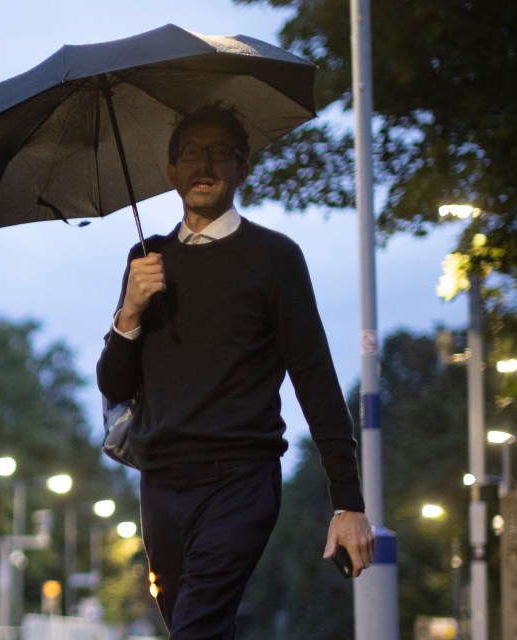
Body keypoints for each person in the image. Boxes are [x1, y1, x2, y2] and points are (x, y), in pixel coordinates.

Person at [96, 103, 375, 638]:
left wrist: (348, 502)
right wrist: (129, 311)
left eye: (220, 153)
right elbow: (115, 385)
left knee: (197, 626)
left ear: (243, 169)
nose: (205, 164)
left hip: (240, 480)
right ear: (171, 171)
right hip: (160, 484)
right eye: (191, 153)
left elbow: (314, 377)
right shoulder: (145, 261)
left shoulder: (274, 258)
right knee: (191, 624)